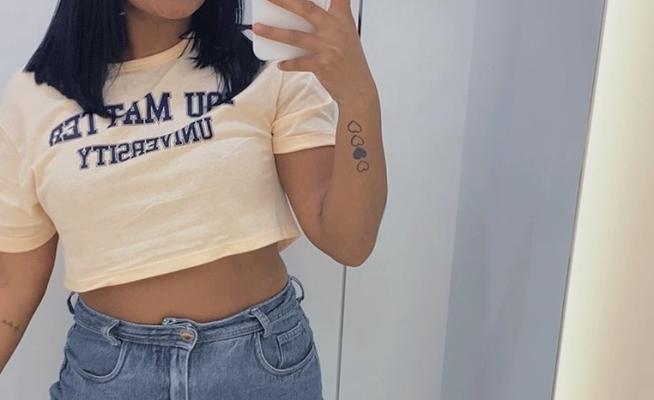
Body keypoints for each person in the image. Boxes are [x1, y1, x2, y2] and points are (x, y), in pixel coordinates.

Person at [0, 0, 386, 398]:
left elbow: (349, 242)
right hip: (109, 376)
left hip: (259, 368)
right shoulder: (33, 98)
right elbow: (12, 288)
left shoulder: (271, 65)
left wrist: (358, 97)